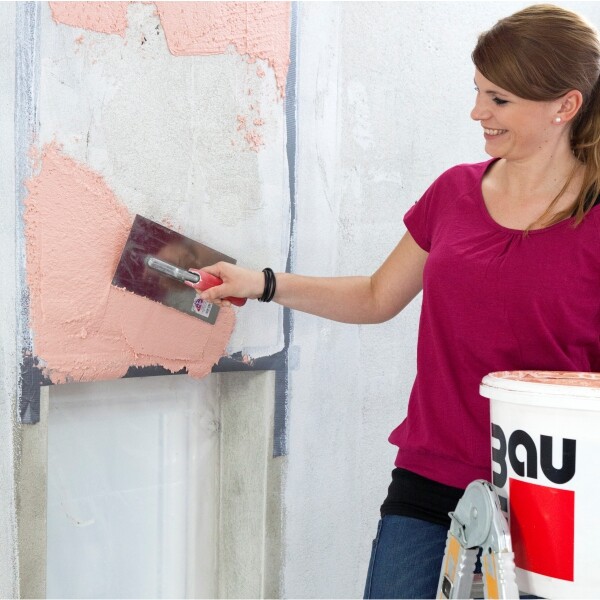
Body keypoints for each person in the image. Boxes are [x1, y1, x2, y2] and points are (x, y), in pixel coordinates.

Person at [187, 4, 600, 598]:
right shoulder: (454, 192)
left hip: (560, 488)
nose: (478, 112)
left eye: (499, 99)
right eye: (478, 91)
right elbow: (378, 296)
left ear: (566, 105)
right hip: (434, 470)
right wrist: (263, 283)